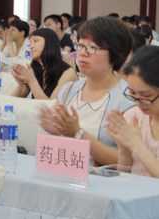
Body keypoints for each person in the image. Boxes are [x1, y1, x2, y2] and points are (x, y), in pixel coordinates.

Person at [40, 16, 135, 166]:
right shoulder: (69, 90)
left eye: (93, 47)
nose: (83, 53)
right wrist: (55, 132)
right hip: (65, 176)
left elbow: (127, 162)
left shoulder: (129, 100)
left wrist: (78, 133)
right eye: (81, 45)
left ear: (115, 53)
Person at [105, 46, 159, 177]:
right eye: (132, 93)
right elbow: (123, 181)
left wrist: (136, 144)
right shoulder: (133, 116)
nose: (138, 101)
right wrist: (124, 152)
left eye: (146, 95)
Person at [11, 28, 78, 100]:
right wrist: (22, 85)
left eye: (35, 41)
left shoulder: (68, 72)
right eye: (30, 43)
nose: (31, 46)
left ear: (49, 43)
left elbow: (50, 106)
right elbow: (13, 101)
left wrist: (32, 80)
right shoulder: (36, 68)